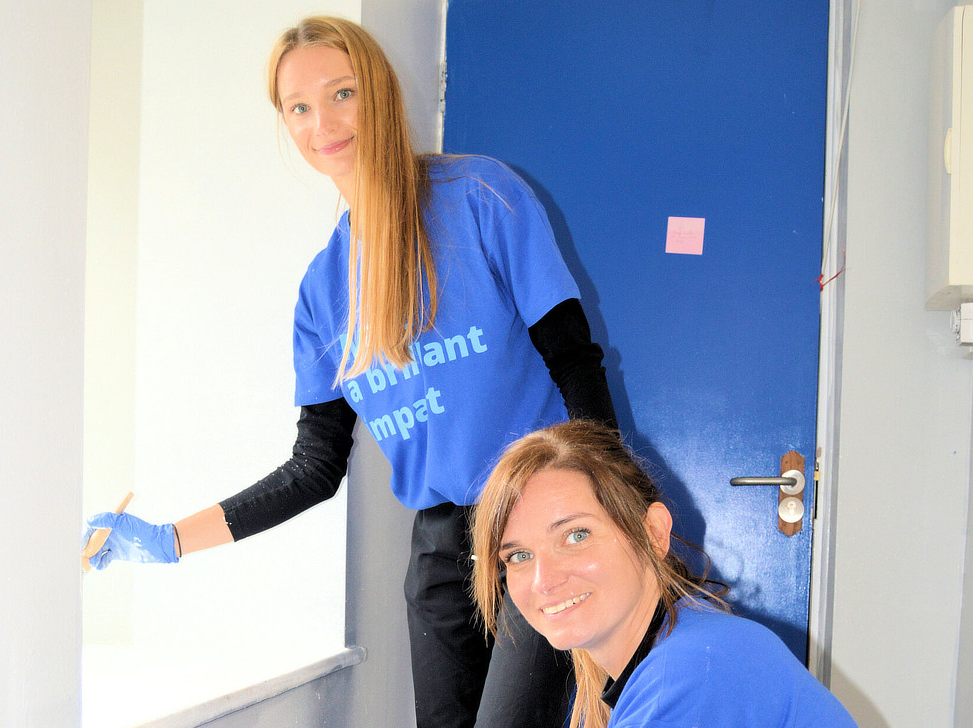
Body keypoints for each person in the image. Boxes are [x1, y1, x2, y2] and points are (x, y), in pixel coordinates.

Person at [84, 15, 618, 728]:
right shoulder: (322, 292)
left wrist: (615, 507)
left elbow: (576, 361)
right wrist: (170, 540)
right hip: (437, 552)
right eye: (298, 108)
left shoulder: (484, 197)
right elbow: (314, 466)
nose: (322, 123)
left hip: (538, 522)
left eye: (342, 93)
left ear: (380, 94)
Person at [470, 420, 857, 728]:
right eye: (519, 555)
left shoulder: (690, 676)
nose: (543, 580)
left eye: (577, 535)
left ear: (653, 533)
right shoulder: (687, 636)